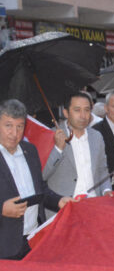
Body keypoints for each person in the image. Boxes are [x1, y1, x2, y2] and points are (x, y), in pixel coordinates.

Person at [0, 99, 73, 260]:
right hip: (4, 246)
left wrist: (59, 201)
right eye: (8, 125)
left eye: (19, 126)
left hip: (34, 240)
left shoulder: (30, 150)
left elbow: (40, 188)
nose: (14, 133)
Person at [43, 93, 111, 200]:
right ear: (66, 112)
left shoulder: (97, 136)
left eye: (87, 110)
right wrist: (58, 149)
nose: (83, 116)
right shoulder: (51, 135)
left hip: (93, 203)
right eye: (77, 110)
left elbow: (102, 169)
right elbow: (42, 175)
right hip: (63, 206)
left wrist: (106, 190)